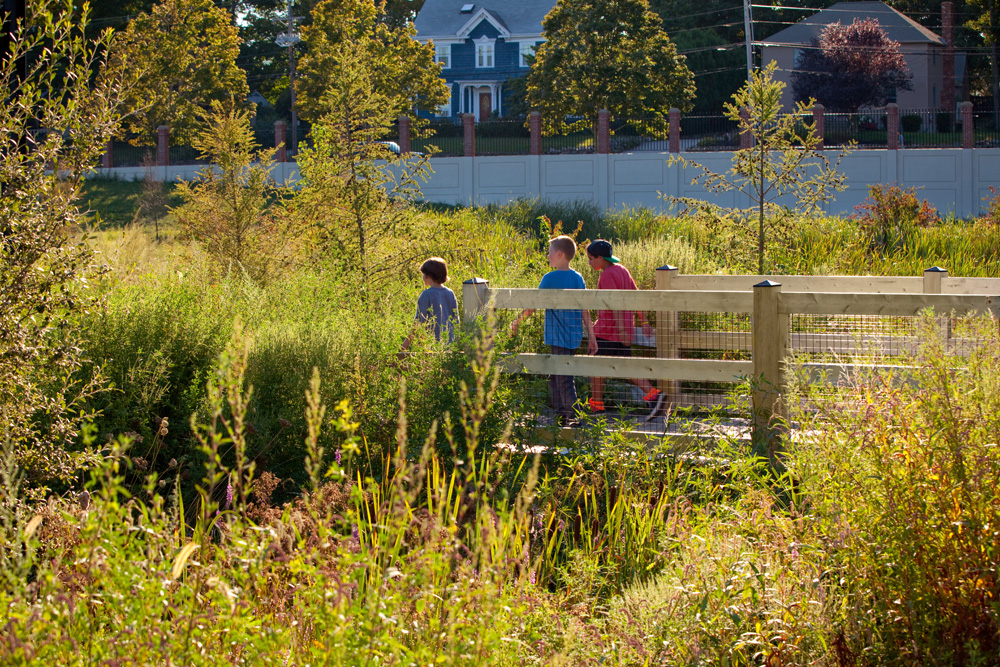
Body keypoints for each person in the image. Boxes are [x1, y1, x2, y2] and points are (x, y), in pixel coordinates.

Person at [511, 235, 597, 427]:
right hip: (573, 335)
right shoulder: (577, 277)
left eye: (549, 252)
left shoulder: (549, 278)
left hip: (558, 336)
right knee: (557, 376)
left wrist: (518, 321)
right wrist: (591, 336)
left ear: (559, 254)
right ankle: (561, 416)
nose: (547, 256)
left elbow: (534, 303)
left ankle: (575, 417)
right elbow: (585, 308)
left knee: (564, 378)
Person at [585, 239, 664, 414]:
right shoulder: (622, 270)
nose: (589, 263)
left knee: (595, 367)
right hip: (623, 330)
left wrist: (620, 330)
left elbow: (615, 304)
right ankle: (654, 395)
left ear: (600, 258)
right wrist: (643, 321)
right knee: (626, 367)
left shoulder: (606, 275)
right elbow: (635, 296)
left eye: (591, 259)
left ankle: (596, 406)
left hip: (608, 330)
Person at [401, 257, 459, 352]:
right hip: (450, 344)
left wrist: (404, 345)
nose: (422, 278)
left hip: (433, 344)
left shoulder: (426, 294)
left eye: (423, 274)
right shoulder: (450, 293)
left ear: (429, 276)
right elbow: (456, 320)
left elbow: (419, 322)